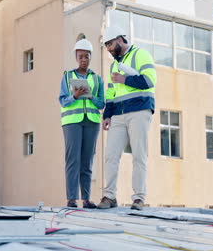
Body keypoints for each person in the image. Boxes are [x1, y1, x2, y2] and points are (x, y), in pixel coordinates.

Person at [97, 26, 156, 211]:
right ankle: (109, 196)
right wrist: (107, 115)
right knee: (111, 156)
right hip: (118, 115)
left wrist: (125, 80)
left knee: (139, 155)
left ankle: (139, 198)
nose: (108, 49)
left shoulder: (141, 55)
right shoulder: (114, 65)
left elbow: (149, 81)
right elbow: (111, 93)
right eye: (106, 45)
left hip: (140, 109)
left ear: (121, 39)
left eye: (110, 44)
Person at [59, 38, 105, 208]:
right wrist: (76, 96)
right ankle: (71, 199)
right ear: (76, 57)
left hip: (92, 122)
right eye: (80, 56)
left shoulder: (97, 79)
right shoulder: (67, 76)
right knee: (73, 160)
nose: (83, 59)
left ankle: (86, 199)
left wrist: (91, 96)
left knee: (87, 161)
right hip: (72, 123)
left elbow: (101, 104)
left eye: (86, 56)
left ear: (90, 57)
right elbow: (63, 101)